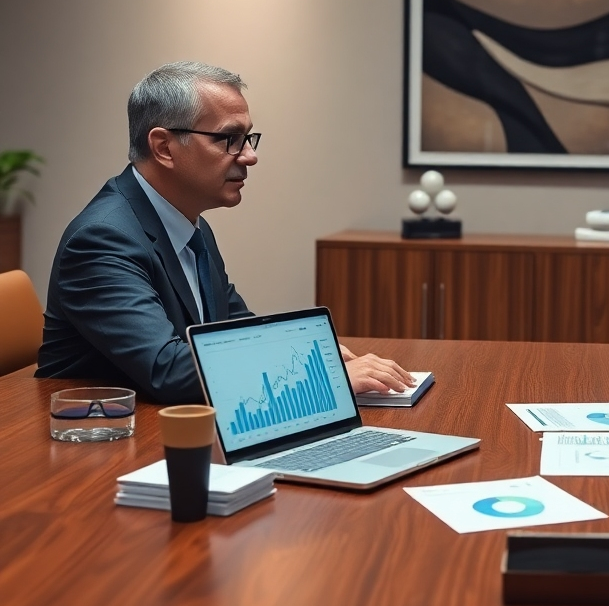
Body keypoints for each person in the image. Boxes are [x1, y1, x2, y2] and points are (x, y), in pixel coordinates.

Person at [37, 61, 415, 403]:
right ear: (164, 147)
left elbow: (236, 329)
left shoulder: (188, 222)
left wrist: (312, 349)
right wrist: (318, 374)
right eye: (229, 139)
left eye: (248, 138)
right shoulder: (102, 240)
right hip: (95, 445)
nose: (250, 156)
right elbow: (167, 368)